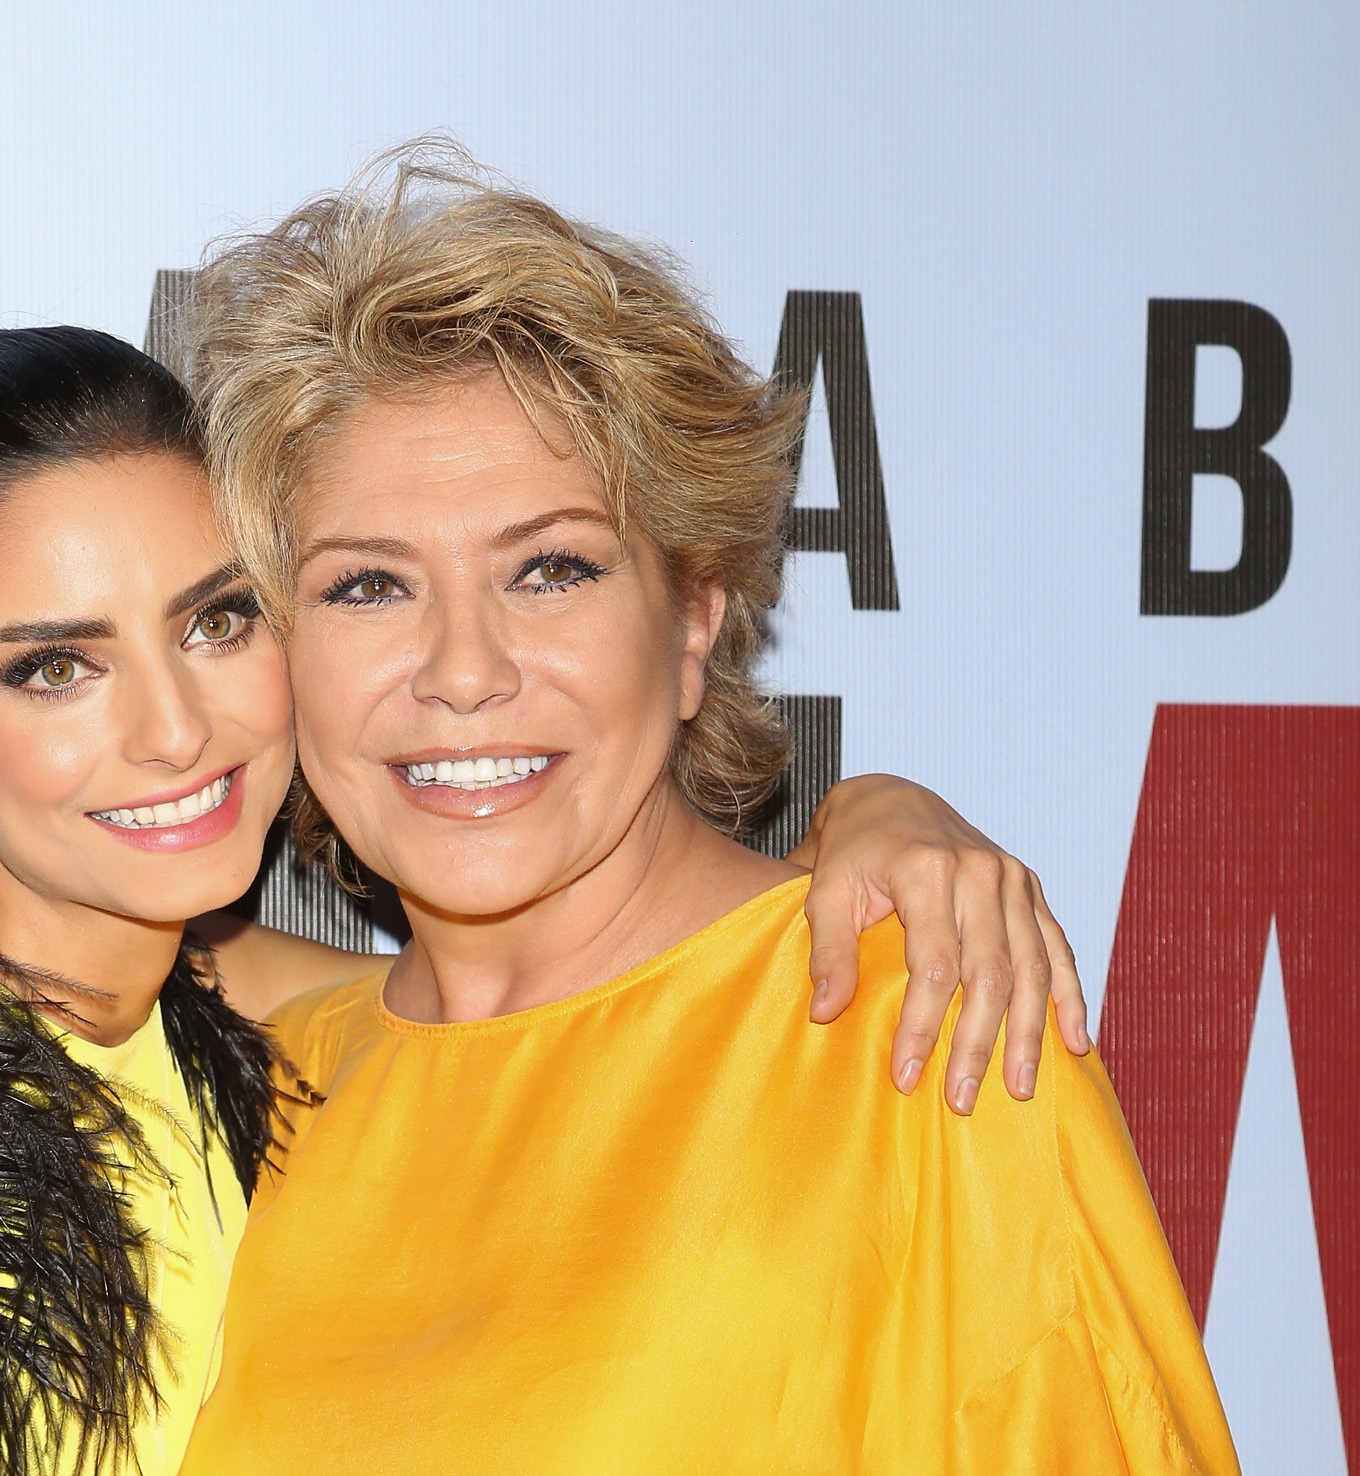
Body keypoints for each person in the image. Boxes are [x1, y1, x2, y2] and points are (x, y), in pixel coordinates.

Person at [0, 325, 1085, 1476]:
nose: (173, 730)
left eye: (215, 621)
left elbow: (593, 993)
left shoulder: (252, 1011)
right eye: (54, 667)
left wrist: (885, 820)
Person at [176, 150, 1238, 1473]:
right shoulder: (256, 1098)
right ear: (277, 654)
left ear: (693, 621)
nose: (462, 669)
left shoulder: (917, 1023)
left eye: (551, 568)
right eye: (368, 588)